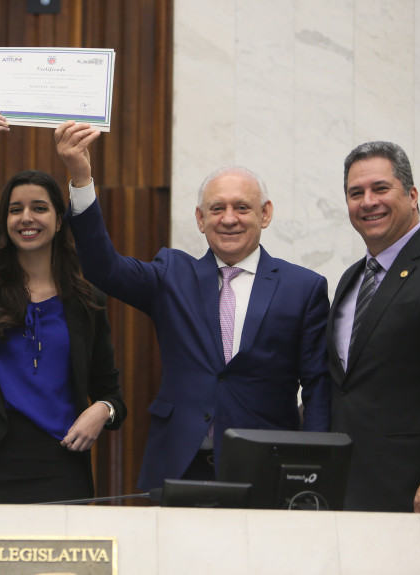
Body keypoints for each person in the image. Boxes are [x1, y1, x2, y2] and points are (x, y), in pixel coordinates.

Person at [55, 122, 331, 492]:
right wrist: (81, 178)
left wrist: (313, 468)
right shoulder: (172, 274)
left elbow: (316, 384)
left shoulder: (304, 287)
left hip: (267, 464)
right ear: (200, 219)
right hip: (180, 464)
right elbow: (103, 267)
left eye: (242, 208)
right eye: (216, 208)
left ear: (265, 214)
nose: (229, 218)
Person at [0, 111, 126, 504]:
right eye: (15, 209)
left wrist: (102, 410)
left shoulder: (87, 301)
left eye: (39, 207)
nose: (26, 218)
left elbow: (112, 394)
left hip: (62, 464)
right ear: (5, 221)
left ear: (58, 219)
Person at [328, 141, 420, 513]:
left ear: (412, 194)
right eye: (356, 193)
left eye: (380, 188)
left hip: (418, 489)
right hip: (348, 484)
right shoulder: (350, 279)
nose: (368, 202)